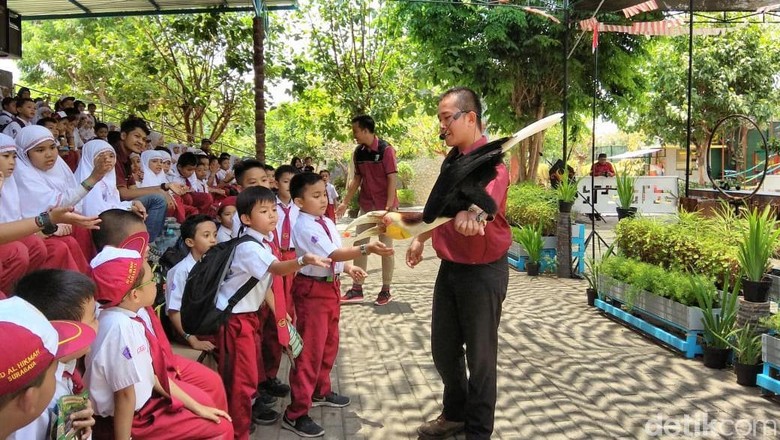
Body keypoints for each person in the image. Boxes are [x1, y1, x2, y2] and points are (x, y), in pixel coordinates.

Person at [407, 87, 510, 440]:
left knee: (480, 359)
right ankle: (456, 414)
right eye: (439, 119)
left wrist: (475, 214)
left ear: (470, 117)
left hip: (484, 271)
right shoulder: (452, 160)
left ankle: (478, 432)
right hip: (450, 267)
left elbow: (486, 201)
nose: (442, 126)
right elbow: (442, 206)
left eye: (446, 118)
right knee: (444, 350)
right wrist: (420, 236)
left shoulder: (493, 164)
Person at [87, 238, 234, 440]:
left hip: (145, 400)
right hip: (135, 418)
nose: (158, 283)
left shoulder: (127, 318)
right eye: (152, 279)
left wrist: (197, 408)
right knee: (221, 429)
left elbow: (151, 375)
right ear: (135, 295)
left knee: (211, 409)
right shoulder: (120, 329)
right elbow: (125, 396)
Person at [283, 172, 393, 438]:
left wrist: (349, 268)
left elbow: (336, 253)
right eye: (316, 196)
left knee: (329, 344)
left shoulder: (325, 221)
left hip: (329, 288)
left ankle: (321, 390)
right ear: (299, 201)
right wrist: (366, 250)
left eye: (324, 194)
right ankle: (296, 412)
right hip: (312, 291)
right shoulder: (305, 226)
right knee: (309, 351)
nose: (323, 200)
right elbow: (332, 254)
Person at [218, 186, 329, 440]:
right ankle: (238, 432)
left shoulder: (261, 243)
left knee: (245, 377)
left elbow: (261, 282)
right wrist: (303, 261)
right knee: (241, 382)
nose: (272, 216)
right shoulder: (250, 248)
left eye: (273, 210)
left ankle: (240, 427)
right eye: (264, 211)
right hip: (236, 321)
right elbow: (277, 269)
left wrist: (279, 311)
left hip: (246, 318)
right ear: (246, 219)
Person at [10, 270, 100, 440]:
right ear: (67, 333)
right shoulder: (38, 401)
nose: (98, 323)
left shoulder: (65, 369)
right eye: (94, 317)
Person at [336, 114, 398, 306]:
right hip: (366, 206)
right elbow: (357, 179)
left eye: (355, 130)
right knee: (360, 246)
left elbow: (392, 179)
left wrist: (388, 207)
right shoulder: (359, 152)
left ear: (365, 130)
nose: (353, 134)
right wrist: (345, 202)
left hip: (386, 208)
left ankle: (386, 289)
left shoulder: (386, 150)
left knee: (386, 248)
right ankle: (357, 288)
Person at [258, 164, 299, 400]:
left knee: (284, 318)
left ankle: (271, 375)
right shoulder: (267, 208)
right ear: (276, 183)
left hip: (293, 259)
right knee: (270, 317)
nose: (289, 187)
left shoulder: (301, 208)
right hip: (272, 258)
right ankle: (261, 377)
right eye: (285, 182)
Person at [114, 117, 177, 242]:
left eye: (143, 139)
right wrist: (160, 190)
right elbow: (123, 194)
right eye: (136, 136)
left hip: (121, 202)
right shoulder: (113, 156)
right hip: (108, 205)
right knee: (157, 199)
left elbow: (133, 189)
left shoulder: (126, 159)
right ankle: (146, 244)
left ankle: (150, 241)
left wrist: (163, 189)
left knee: (160, 196)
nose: (141, 142)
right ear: (123, 135)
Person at [165, 214, 218, 351]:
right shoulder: (181, 271)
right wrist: (193, 341)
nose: (213, 240)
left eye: (215, 235)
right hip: (189, 328)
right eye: (206, 236)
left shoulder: (214, 264)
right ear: (190, 242)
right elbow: (174, 311)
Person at [75, 139, 147, 218]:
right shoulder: (86, 179)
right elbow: (93, 212)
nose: (108, 160)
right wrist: (128, 208)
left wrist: (132, 203)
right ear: (90, 157)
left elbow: (113, 203)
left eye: (111, 156)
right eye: (101, 156)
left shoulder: (108, 179)